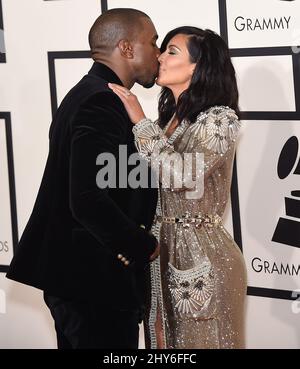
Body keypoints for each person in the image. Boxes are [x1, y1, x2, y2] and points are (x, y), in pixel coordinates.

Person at [6, 8, 160, 349]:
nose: (158, 52)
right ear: (127, 48)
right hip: (92, 284)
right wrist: (142, 245)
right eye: (153, 42)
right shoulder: (100, 101)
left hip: (86, 283)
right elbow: (87, 199)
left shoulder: (92, 94)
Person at [109, 26, 247, 349]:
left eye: (172, 51)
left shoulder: (220, 120)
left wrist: (139, 122)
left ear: (199, 67)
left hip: (203, 252)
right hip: (159, 249)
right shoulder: (164, 121)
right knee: (159, 340)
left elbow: (183, 175)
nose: (159, 56)